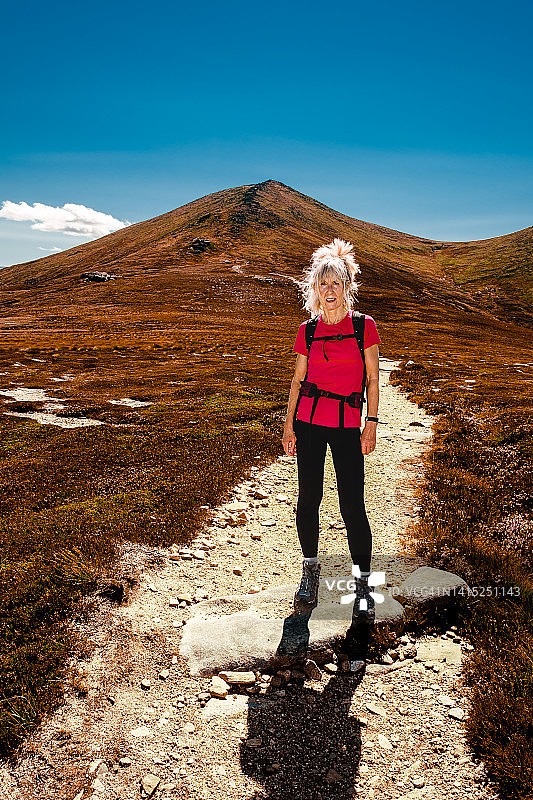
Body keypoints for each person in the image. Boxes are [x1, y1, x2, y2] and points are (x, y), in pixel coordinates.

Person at [282, 237, 381, 627]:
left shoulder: (363, 327)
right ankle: (310, 570)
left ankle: (362, 586)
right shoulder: (307, 331)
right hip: (308, 423)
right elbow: (297, 378)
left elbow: (373, 379)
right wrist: (288, 424)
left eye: (336, 283)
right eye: (323, 284)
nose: (329, 291)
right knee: (308, 499)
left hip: (345, 427)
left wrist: (370, 423)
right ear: (314, 290)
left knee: (352, 506)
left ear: (347, 286)